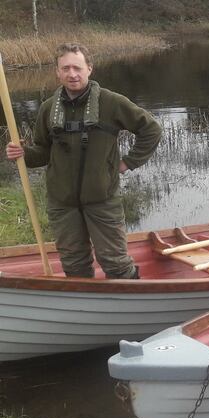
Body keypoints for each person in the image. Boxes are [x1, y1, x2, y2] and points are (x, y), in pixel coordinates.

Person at [5, 43, 162, 279]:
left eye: (77, 67)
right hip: (62, 203)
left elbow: (151, 129)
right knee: (74, 265)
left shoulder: (112, 102)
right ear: (57, 72)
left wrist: (128, 162)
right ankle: (85, 306)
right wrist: (23, 154)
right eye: (65, 68)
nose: (72, 74)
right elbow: (42, 152)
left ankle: (130, 304)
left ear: (89, 68)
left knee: (115, 262)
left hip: (102, 199)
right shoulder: (48, 109)